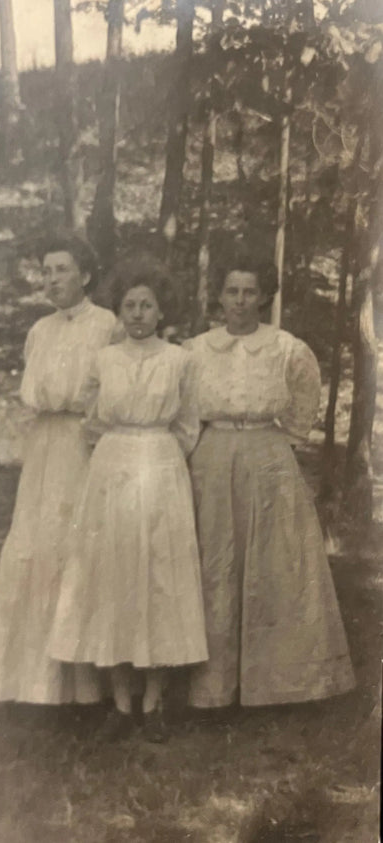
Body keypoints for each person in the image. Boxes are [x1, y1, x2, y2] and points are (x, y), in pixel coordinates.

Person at [49, 252, 208, 741]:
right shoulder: (104, 360)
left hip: (161, 466)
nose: (138, 313)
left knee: (159, 570)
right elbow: (93, 422)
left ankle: (155, 694)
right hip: (113, 468)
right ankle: (120, 696)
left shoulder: (181, 360)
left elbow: (188, 425)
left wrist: (156, 452)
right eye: (130, 305)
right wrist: (119, 451)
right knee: (114, 571)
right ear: (120, 310)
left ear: (162, 313)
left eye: (147, 305)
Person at [184, 261, 356, 710]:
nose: (240, 301)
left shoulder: (285, 348)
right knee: (216, 559)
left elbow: (303, 399)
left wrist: (285, 441)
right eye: (231, 291)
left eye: (249, 291)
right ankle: (212, 686)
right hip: (213, 452)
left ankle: (278, 684)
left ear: (264, 297)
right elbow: (183, 409)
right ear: (219, 297)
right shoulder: (197, 350)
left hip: (268, 453)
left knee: (274, 562)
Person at [0, 232, 118, 706]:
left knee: (77, 551)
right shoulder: (40, 331)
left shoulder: (107, 325)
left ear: (85, 275)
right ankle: (26, 680)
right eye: (46, 271)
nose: (52, 280)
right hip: (45, 447)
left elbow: (113, 391)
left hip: (85, 444)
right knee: (33, 546)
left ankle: (86, 689)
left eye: (62, 270)